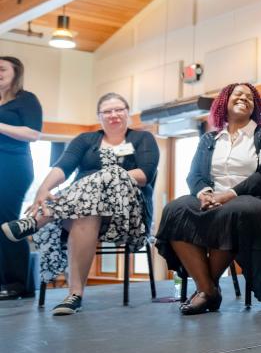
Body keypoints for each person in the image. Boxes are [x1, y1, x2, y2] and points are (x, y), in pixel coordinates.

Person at [2, 93, 158, 316]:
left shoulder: (143, 139)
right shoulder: (85, 140)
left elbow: (145, 174)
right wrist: (43, 189)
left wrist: (107, 177)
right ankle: (75, 295)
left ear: (127, 113)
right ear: (99, 116)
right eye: (107, 111)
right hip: (80, 211)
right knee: (86, 212)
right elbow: (62, 168)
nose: (113, 115)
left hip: (126, 213)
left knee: (107, 176)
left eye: (119, 109)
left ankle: (37, 221)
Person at [155, 83, 261, 315]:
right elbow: (194, 174)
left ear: (255, 107)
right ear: (224, 101)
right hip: (213, 199)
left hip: (250, 200)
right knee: (176, 209)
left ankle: (205, 291)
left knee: (234, 211)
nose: (244, 98)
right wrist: (204, 193)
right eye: (238, 94)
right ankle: (209, 290)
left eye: (250, 97)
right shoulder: (209, 138)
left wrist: (230, 194)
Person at [0, 57, 42, 300]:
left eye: (2, 69)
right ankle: (5, 281)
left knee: (6, 222)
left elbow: (33, 133)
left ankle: (18, 283)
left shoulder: (26, 99)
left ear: (16, 73)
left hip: (14, 168)